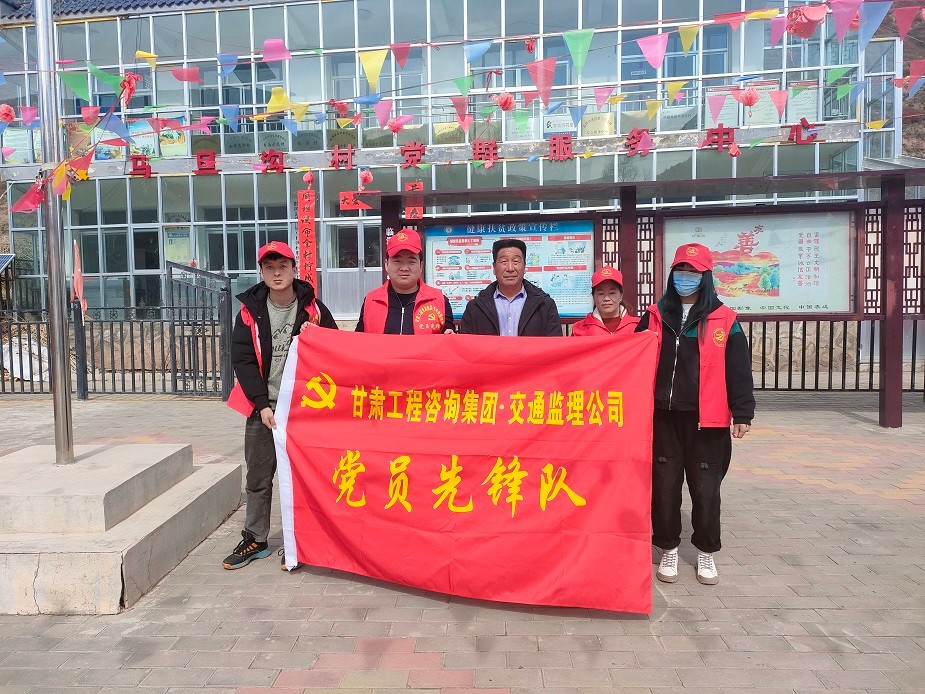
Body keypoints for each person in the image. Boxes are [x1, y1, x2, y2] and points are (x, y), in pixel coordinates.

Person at [635, 243, 754, 586]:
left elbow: (738, 369)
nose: (685, 277)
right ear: (672, 274)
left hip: (707, 421)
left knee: (706, 490)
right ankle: (668, 547)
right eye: (681, 271)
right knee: (664, 489)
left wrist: (743, 412)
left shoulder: (725, 319)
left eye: (693, 272)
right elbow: (631, 359)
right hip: (663, 417)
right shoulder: (655, 315)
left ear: (706, 276)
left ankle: (706, 552)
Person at [224, 241, 337, 570]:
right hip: (264, 408)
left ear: (293, 269)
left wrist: (317, 335)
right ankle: (256, 538)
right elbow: (243, 361)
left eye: (283, 266)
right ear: (261, 271)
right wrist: (262, 405)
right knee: (258, 477)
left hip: (304, 410)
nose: (277, 273)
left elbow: (335, 350)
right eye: (269, 267)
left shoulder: (314, 309)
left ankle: (302, 541)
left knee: (305, 478)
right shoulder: (249, 311)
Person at [356, 228, 454, 334]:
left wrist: (450, 335)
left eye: (411, 262)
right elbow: (358, 340)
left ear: (421, 266)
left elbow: (449, 338)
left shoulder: (439, 301)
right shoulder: (371, 301)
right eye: (397, 261)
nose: (404, 268)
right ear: (386, 265)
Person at [459, 238, 561, 336]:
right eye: (504, 262)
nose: (510, 268)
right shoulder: (475, 307)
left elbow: (555, 344)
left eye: (516, 261)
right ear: (494, 268)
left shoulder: (545, 305)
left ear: (524, 266)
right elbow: (465, 343)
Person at [572, 266, 640, 336]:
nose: (606, 298)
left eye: (612, 293)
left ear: (621, 295)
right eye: (601, 294)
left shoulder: (637, 327)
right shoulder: (579, 329)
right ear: (593, 296)